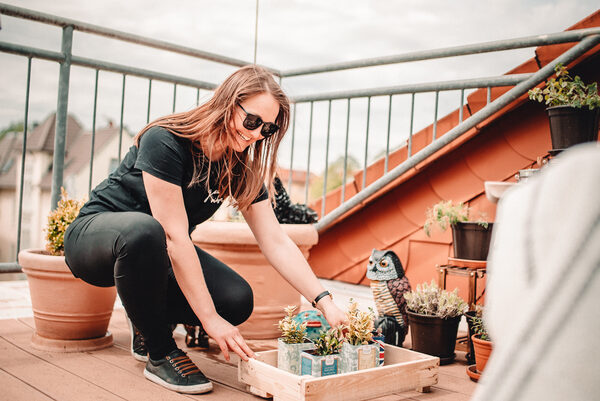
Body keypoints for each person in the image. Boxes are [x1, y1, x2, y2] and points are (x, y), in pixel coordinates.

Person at [64, 65, 348, 394]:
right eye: (252, 121)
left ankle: (144, 317)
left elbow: (275, 241)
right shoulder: (167, 141)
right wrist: (210, 320)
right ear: (228, 103)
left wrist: (324, 302)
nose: (256, 134)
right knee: (146, 231)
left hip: (155, 252)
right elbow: (173, 236)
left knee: (236, 300)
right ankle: (159, 351)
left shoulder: (238, 166)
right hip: (96, 240)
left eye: (267, 129)